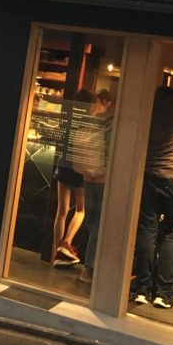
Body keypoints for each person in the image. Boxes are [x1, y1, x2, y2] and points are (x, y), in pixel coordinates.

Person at [132, 84, 173, 308]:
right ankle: (163, 293)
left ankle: (141, 289)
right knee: (172, 234)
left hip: (151, 175)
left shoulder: (151, 107)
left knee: (147, 231)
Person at [51, 89, 94, 267]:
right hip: (80, 167)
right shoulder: (90, 122)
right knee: (80, 210)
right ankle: (65, 244)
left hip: (64, 164)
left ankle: (56, 254)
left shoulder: (68, 118)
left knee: (62, 210)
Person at [79, 89, 114, 284]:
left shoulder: (91, 122)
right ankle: (90, 268)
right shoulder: (111, 125)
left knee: (92, 222)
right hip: (102, 178)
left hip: (88, 175)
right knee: (97, 224)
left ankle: (91, 264)